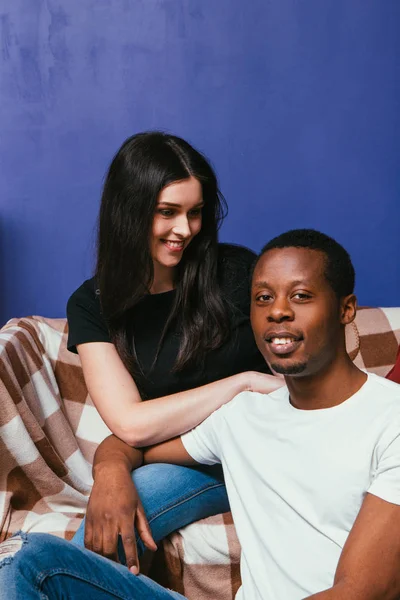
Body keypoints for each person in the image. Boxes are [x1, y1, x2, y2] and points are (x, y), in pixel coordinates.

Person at [3, 228, 400, 600]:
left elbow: (360, 592)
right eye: (263, 298)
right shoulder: (242, 416)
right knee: (27, 561)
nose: (278, 312)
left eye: (300, 296)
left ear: (347, 309)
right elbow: (132, 444)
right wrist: (110, 472)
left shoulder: (390, 419)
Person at [66, 131, 281, 558]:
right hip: (184, 462)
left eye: (195, 213)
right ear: (129, 212)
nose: (185, 230)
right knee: (96, 544)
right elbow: (130, 423)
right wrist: (242, 383)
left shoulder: (239, 273)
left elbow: (300, 377)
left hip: (262, 450)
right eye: (168, 212)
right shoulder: (91, 305)